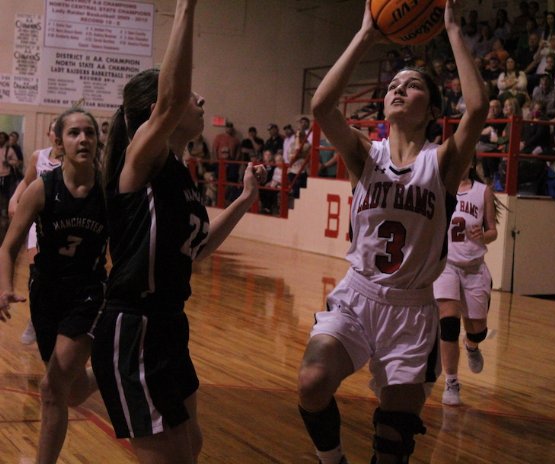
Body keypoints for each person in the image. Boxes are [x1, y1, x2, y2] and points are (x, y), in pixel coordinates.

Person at [296, 1, 489, 463]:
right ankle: (332, 460)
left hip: (412, 312)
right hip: (358, 297)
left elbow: (479, 108)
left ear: (431, 109)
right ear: (384, 103)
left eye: (414, 85)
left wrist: (452, 28)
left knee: (394, 446)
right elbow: (322, 105)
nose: (401, 89)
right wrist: (366, 34)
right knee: (312, 381)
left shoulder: (440, 163)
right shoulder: (366, 155)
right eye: (395, 85)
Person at [88, 1, 266, 462]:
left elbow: (199, 248)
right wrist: (186, 8)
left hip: (169, 324)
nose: (201, 100)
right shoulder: (142, 161)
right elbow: (172, 99)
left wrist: (244, 199)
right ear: (157, 110)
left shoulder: (180, 177)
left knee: (192, 445)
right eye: (193, 96)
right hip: (134, 325)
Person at [0, 106, 107, 463]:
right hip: (45, 294)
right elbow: (8, 247)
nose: (83, 139)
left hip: (89, 294)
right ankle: (108, 372)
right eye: (74, 132)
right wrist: (3, 286)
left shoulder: (108, 190)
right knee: (70, 392)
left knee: (50, 389)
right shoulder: (43, 189)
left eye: (89, 132)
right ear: (58, 143)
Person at [434, 162, 499, 406]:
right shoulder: (440, 189)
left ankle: (472, 346)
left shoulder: (482, 191)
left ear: (469, 163)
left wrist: (483, 236)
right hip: (447, 266)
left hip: (474, 269)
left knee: (478, 330)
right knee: (448, 324)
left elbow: (492, 230)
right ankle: (452, 382)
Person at [8, 119, 63, 346]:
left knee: (58, 276)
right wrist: (14, 198)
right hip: (37, 222)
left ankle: (58, 318)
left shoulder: (73, 159)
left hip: (62, 223)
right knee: (37, 272)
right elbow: (26, 181)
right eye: (55, 128)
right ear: (50, 134)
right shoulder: (39, 156)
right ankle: (35, 317)